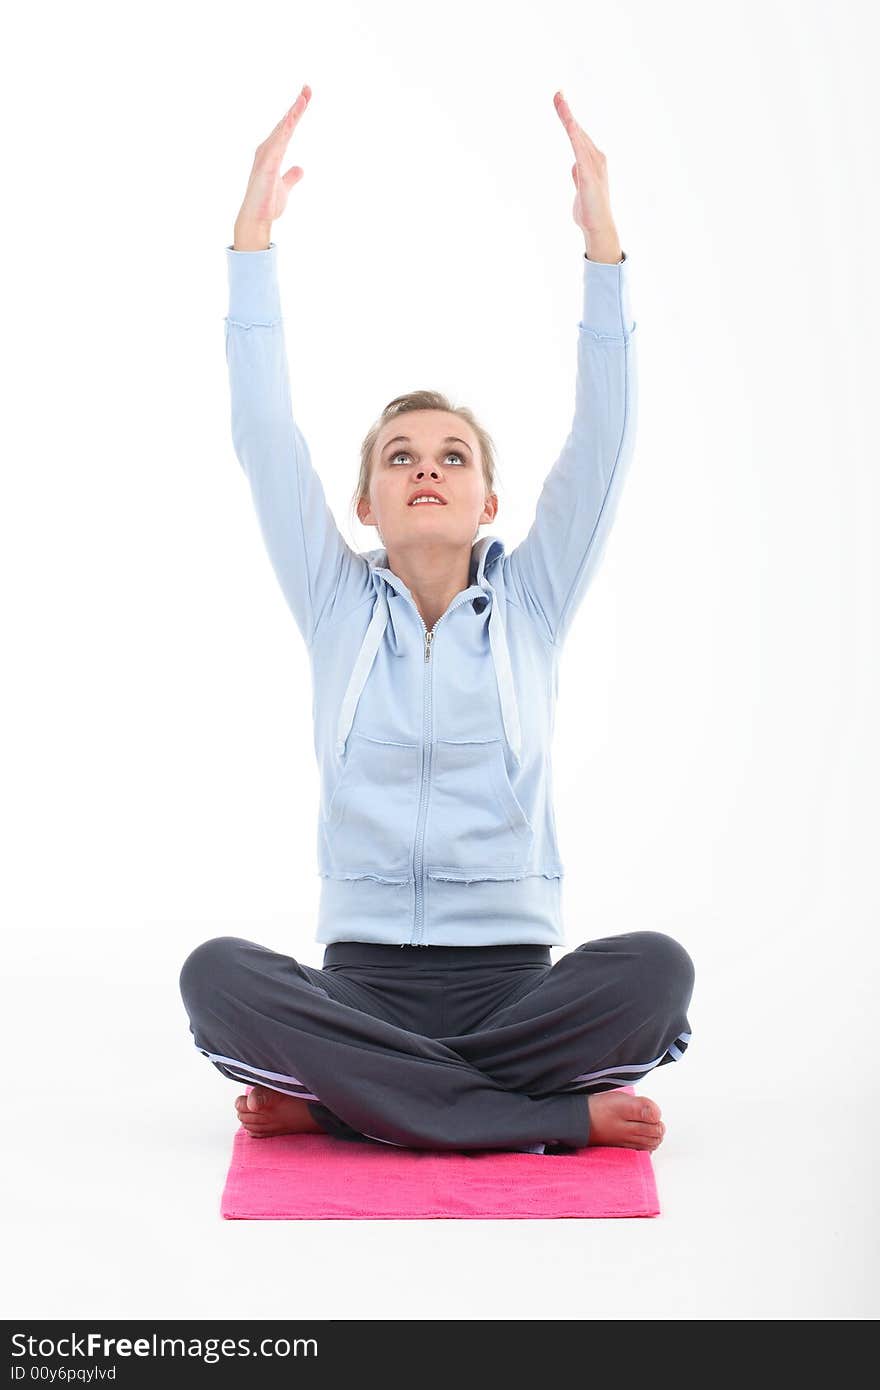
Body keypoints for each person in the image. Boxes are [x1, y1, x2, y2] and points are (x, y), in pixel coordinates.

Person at [179, 85, 695, 1155]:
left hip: (515, 991)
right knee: (214, 973)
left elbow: (604, 439)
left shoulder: (533, 602)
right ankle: (525, 1114)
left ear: (488, 502)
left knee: (656, 969)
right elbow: (263, 432)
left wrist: (603, 250)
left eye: (451, 455)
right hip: (358, 983)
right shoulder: (333, 601)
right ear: (362, 501)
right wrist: (251, 245)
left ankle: (344, 1102)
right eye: (400, 457)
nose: (426, 469)